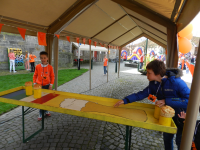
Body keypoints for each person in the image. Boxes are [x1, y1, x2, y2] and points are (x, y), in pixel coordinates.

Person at [114, 60, 190, 150]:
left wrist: (166, 101)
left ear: (157, 73)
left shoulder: (177, 83)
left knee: (180, 142)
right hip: (166, 117)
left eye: (149, 73)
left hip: (181, 117)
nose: (146, 75)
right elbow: (141, 94)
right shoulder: (153, 84)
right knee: (167, 138)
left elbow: (189, 101)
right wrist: (125, 100)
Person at [33, 51, 55, 121]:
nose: (43, 59)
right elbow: (35, 75)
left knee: (46, 99)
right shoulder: (37, 66)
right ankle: (40, 113)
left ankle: (46, 111)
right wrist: (34, 83)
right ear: (40, 58)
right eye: (42, 58)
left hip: (47, 86)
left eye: (44, 58)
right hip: (39, 86)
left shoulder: (50, 67)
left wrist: (51, 85)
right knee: (40, 100)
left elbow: (52, 76)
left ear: (47, 58)